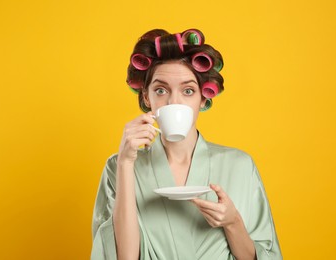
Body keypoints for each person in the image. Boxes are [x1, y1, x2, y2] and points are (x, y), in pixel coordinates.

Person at [91, 28, 282, 260]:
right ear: (145, 96)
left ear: (203, 97)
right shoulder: (118, 167)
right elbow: (125, 257)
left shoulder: (240, 165)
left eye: (188, 90)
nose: (174, 101)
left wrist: (233, 221)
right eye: (160, 90)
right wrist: (125, 162)